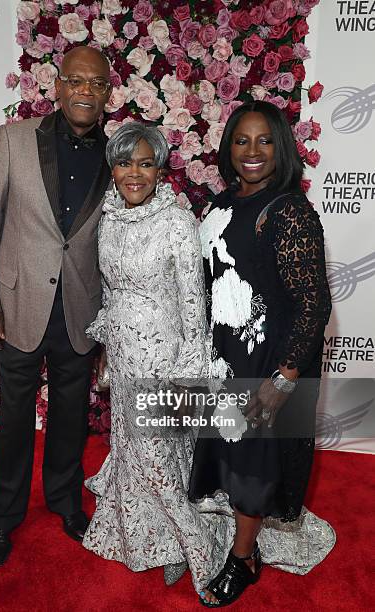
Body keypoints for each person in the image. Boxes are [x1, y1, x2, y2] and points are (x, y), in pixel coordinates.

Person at [0, 46, 112, 567]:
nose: (85, 91)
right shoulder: (13, 139)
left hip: (79, 312)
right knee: (13, 420)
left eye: (96, 84)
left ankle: (65, 502)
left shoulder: (117, 153)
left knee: (71, 417)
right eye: (76, 81)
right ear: (57, 86)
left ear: (106, 93)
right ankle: (2, 518)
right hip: (18, 305)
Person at [188, 101, 335, 607]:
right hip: (225, 355)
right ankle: (237, 540)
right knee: (230, 450)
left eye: (264, 141)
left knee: (253, 461)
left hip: (266, 361)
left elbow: (314, 304)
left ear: (281, 148)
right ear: (228, 148)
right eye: (241, 141)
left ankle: (243, 558)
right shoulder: (220, 203)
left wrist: (286, 377)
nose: (252, 151)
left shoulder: (290, 210)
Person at [82, 122, 227, 592]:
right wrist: (106, 348)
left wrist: (187, 376)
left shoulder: (177, 222)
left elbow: (193, 303)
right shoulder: (109, 219)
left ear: (160, 169)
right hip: (123, 358)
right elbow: (109, 291)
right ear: (113, 167)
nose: (135, 174)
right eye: (125, 162)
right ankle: (164, 543)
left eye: (146, 163)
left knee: (159, 459)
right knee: (135, 451)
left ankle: (198, 548)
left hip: (163, 361)